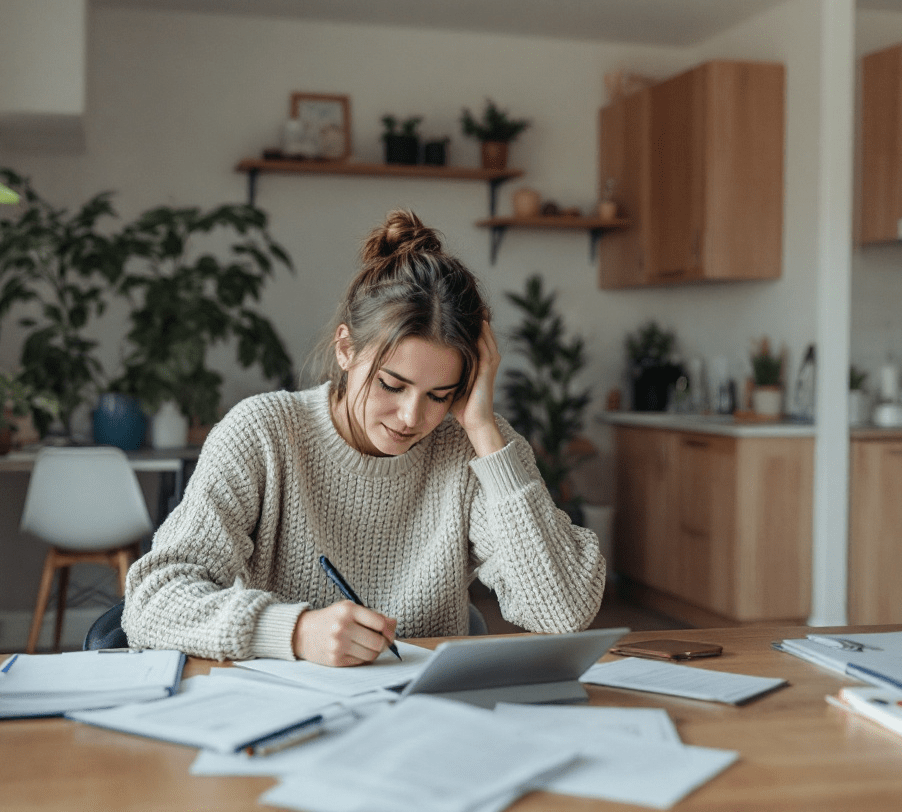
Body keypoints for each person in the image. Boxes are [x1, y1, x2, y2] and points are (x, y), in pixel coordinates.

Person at [122, 209, 605, 666]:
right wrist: (292, 632)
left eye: (441, 394)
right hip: (288, 714)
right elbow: (152, 602)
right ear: (346, 349)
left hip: (423, 716)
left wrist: (483, 429)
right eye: (391, 385)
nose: (412, 417)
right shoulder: (263, 433)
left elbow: (561, 613)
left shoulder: (471, 448)